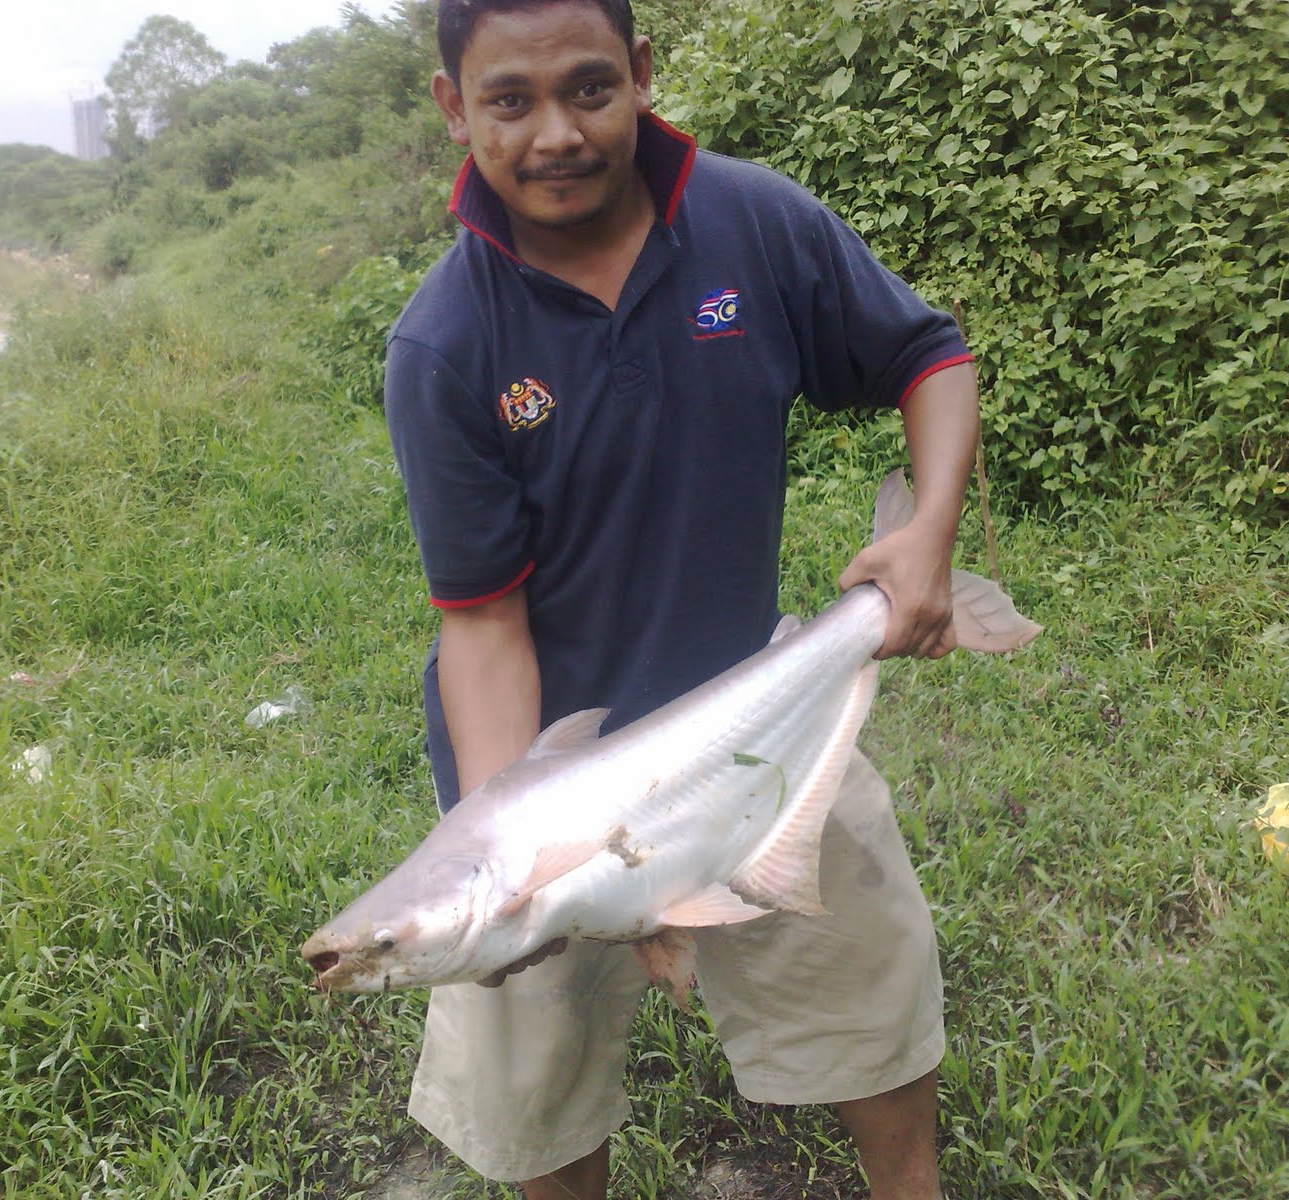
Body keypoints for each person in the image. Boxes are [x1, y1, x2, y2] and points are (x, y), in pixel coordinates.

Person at [382, 1, 979, 1196]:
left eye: (590, 88)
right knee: (530, 1093)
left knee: (873, 1003)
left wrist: (925, 534)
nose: (555, 132)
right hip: (543, 766)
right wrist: (529, 866)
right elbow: (484, 625)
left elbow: (929, 355)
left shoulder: (752, 225)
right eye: (509, 100)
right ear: (455, 106)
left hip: (758, 720)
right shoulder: (446, 345)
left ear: (643, 76)